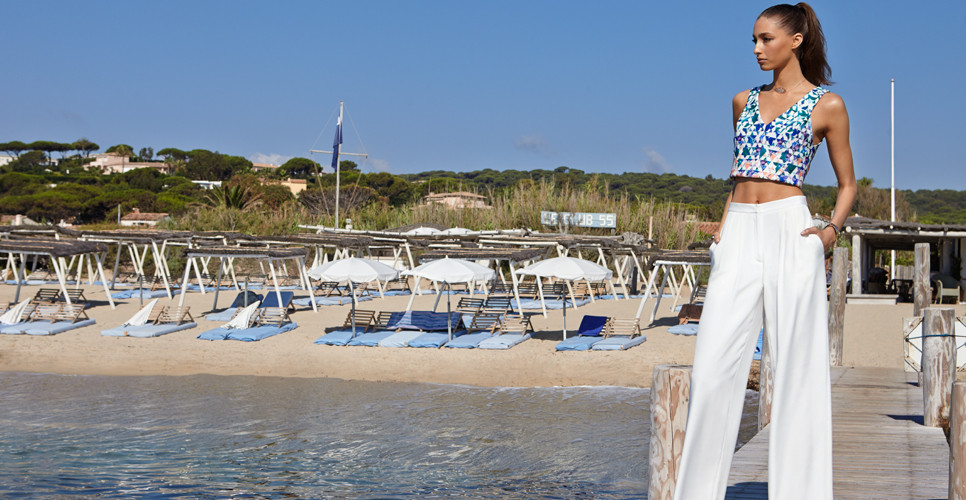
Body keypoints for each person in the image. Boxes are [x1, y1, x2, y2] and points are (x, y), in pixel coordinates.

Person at [673, 3, 856, 499]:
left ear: (795, 40)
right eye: (753, 40)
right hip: (739, 232)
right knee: (712, 368)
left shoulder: (827, 105)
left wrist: (830, 233)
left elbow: (848, 184)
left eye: (766, 39)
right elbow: (738, 174)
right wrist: (723, 231)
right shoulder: (742, 101)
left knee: (798, 367)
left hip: (791, 230)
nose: (756, 49)